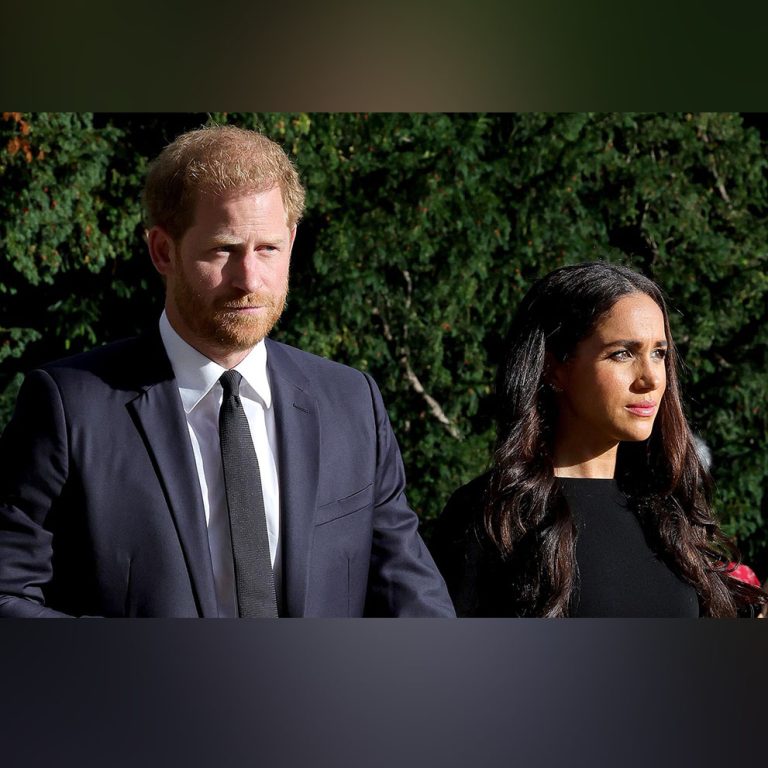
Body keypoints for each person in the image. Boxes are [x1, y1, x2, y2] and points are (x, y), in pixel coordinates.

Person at [0, 125, 455, 618]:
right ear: (162, 250)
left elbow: (413, 599)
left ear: (292, 242)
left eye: (268, 249)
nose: (249, 280)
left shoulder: (351, 403)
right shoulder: (71, 408)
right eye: (223, 249)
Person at [433, 263, 766, 617]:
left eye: (659, 353)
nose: (652, 378)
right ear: (554, 367)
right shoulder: (493, 516)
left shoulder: (668, 510)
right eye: (622, 354)